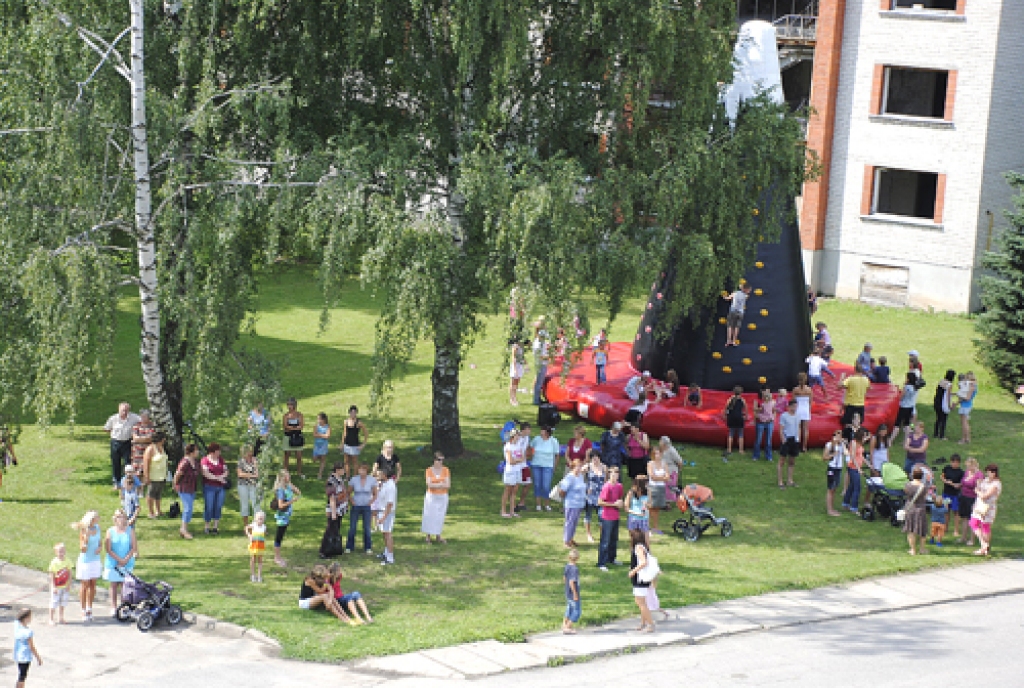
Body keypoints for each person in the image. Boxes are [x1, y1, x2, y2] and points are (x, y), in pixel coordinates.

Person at [103, 508, 138, 615]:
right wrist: (119, 560)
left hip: (127, 561)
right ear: (115, 518)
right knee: (113, 584)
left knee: (124, 585)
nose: (120, 518)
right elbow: (108, 549)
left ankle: (123, 606)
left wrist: (125, 559)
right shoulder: (110, 531)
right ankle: (113, 606)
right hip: (114, 562)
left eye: (122, 516)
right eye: (118, 516)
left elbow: (133, 547)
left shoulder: (130, 530)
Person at [71, 510, 101, 622]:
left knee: (93, 584)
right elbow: (82, 549)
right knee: (85, 585)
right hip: (86, 560)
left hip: (95, 559)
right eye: (97, 517)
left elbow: (99, 541)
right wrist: (86, 539)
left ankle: (89, 608)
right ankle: (83, 609)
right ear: (92, 519)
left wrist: (99, 548)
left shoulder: (97, 528)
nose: (98, 518)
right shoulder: (84, 530)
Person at [103, 402, 141, 489]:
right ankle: (116, 482)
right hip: (115, 442)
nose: (125, 412)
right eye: (123, 410)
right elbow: (106, 428)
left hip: (127, 442)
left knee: (128, 463)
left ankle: (128, 482)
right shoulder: (113, 418)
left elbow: (142, 421)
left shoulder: (133, 417)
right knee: (116, 462)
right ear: (119, 410)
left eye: (127, 410)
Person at [969, 464, 1001, 556]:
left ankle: (985, 547)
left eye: (989, 472)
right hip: (979, 505)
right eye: (987, 472)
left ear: (994, 473)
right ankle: (984, 544)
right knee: (973, 523)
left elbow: (985, 496)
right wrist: (978, 486)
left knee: (985, 526)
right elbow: (979, 489)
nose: (988, 474)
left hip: (988, 508)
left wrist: (977, 491)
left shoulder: (996, 484)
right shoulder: (986, 480)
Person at [627, 528, 655, 633]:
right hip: (641, 579)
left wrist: (633, 571)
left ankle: (650, 624)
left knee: (641, 603)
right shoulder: (643, 547)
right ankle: (643, 622)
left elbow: (643, 562)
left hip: (640, 579)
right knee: (640, 602)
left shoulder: (638, 547)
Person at [346, 463, 378, 553]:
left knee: (367, 527)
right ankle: (349, 546)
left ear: (366, 471)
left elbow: (375, 493)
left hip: (366, 506)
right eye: (360, 470)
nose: (362, 472)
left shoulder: (372, 480)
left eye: (363, 470)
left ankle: (368, 547)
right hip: (356, 505)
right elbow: (348, 492)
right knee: (352, 527)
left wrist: (371, 502)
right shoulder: (354, 479)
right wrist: (352, 501)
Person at [320, 462, 349, 558]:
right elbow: (332, 497)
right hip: (334, 509)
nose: (344, 471)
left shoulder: (340, 479)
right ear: (337, 470)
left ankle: (333, 548)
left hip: (340, 509)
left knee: (336, 529)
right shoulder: (331, 481)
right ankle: (324, 550)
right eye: (343, 469)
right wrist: (333, 512)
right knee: (330, 529)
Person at [172, 443, 199, 539]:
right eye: (196, 450)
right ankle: (183, 529)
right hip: (183, 488)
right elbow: (178, 474)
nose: (198, 452)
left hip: (192, 488)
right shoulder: (185, 462)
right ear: (191, 452)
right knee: (188, 508)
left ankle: (184, 528)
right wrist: (175, 484)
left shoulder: (195, 462)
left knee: (189, 509)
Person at [273, 469, 300, 566]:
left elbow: (298, 492)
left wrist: (290, 483)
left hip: (287, 516)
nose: (289, 477)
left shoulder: (288, 486)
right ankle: (277, 558)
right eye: (288, 476)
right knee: (279, 537)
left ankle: (278, 557)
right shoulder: (280, 490)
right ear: (283, 478)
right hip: (282, 517)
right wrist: (291, 501)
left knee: (281, 536)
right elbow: (280, 505)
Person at [422, 452, 450, 544]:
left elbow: (448, 485)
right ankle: (428, 536)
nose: (441, 462)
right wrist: (440, 484)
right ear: (434, 460)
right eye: (439, 460)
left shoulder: (446, 470)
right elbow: (429, 484)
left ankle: (438, 535)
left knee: (439, 516)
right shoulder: (429, 470)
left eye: (442, 460)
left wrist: (437, 485)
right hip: (432, 496)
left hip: (442, 496)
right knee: (430, 515)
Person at [200, 443, 229, 535]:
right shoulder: (205, 460)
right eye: (218, 450)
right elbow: (205, 473)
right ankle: (207, 526)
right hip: (209, 487)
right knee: (209, 506)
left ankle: (215, 527)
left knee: (218, 506)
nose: (219, 452)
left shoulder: (221, 460)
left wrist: (222, 476)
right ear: (212, 451)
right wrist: (218, 478)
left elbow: (226, 471)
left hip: (220, 487)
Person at [558, 460, 587, 548]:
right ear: (573, 467)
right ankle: (566, 541)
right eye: (577, 466)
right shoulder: (569, 477)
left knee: (575, 522)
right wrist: (567, 499)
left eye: (580, 466)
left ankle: (571, 538)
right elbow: (562, 490)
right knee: (570, 522)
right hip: (571, 504)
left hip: (579, 504)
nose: (578, 468)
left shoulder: (580, 476)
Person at [530, 426, 560, 511]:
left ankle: (547, 504)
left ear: (547, 432)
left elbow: (557, 455)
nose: (541, 431)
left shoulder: (553, 441)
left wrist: (554, 467)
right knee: (537, 484)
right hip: (536, 465)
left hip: (548, 466)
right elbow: (530, 448)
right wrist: (531, 456)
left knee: (546, 485)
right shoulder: (536, 439)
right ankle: (538, 504)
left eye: (542, 430)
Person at [141, 431, 168, 519]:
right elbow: (146, 463)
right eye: (164, 438)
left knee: (158, 494)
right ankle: (150, 512)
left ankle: (158, 510)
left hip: (161, 476)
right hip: (153, 476)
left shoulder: (162, 448)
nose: (165, 440)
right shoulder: (150, 449)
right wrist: (146, 476)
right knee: (151, 494)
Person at [902, 466, 929, 555]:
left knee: (911, 530)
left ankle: (913, 550)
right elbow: (925, 497)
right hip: (921, 509)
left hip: (910, 508)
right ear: (922, 476)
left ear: (912, 475)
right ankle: (922, 549)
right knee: (922, 531)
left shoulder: (907, 485)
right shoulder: (924, 487)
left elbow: (906, 493)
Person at [13, 608, 42, 688]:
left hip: (18, 655)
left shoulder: (17, 626)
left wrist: (24, 611)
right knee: (22, 677)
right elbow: (32, 647)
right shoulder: (28, 632)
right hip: (25, 657)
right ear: (26, 618)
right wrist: (38, 658)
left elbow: (17, 619)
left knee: (21, 675)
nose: (31, 618)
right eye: (30, 616)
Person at [501, 427, 525, 518]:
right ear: (513, 436)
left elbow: (522, 458)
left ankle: (512, 511)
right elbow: (510, 461)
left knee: (514, 491)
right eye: (517, 435)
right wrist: (518, 460)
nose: (518, 437)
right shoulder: (508, 446)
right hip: (510, 471)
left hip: (518, 470)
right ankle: (503, 510)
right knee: (507, 490)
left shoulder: (518, 445)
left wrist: (517, 460)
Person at [958, 457, 983, 547]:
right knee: (964, 518)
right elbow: (963, 482)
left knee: (973, 519)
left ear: (974, 465)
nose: (968, 468)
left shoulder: (979, 475)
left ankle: (972, 539)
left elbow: (979, 487)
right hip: (964, 497)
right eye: (967, 466)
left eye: (969, 466)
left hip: (973, 498)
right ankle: (963, 537)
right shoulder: (967, 472)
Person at [583, 451, 606, 543]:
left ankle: (602, 534)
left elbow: (605, 480)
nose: (595, 459)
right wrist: (585, 488)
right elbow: (578, 476)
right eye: (593, 458)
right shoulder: (587, 467)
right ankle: (588, 534)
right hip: (590, 494)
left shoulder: (604, 467)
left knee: (601, 515)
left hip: (601, 495)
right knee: (588, 515)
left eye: (597, 457)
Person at [842, 428, 866, 513]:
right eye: (864, 436)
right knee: (857, 487)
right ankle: (854, 507)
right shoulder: (854, 443)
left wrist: (869, 464)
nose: (865, 438)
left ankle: (845, 503)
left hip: (856, 467)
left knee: (852, 486)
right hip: (853, 468)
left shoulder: (860, 444)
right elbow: (852, 456)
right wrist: (859, 469)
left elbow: (861, 456)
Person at [941, 454, 965, 539]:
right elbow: (942, 477)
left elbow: (962, 483)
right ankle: (945, 527)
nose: (954, 464)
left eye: (956, 462)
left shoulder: (961, 472)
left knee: (956, 512)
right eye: (953, 462)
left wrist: (957, 485)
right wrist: (947, 481)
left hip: (955, 495)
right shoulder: (947, 468)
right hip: (946, 493)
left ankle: (956, 530)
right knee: (946, 511)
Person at [823, 430, 846, 517]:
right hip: (832, 468)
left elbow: (846, 453)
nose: (838, 438)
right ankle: (829, 510)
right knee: (830, 489)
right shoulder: (829, 445)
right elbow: (824, 457)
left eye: (840, 436)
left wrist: (843, 444)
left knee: (835, 488)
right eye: (836, 436)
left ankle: (832, 508)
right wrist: (833, 455)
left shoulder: (841, 446)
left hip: (838, 468)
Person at [646, 447, 669, 535]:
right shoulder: (650, 464)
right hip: (652, 487)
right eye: (655, 454)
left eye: (658, 453)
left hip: (661, 488)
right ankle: (647, 527)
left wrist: (660, 478)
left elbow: (667, 477)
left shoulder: (664, 464)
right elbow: (652, 477)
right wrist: (662, 478)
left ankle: (655, 527)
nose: (657, 455)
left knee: (657, 508)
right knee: (650, 507)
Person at [778, 400, 800, 488]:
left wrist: (798, 438)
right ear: (790, 407)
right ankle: (780, 481)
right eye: (794, 406)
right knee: (782, 460)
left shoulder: (798, 416)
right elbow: (781, 429)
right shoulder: (784, 416)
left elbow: (798, 427)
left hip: (794, 440)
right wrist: (783, 439)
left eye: (796, 406)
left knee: (792, 461)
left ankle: (790, 480)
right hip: (787, 439)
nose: (795, 408)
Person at [236, 444, 259, 529]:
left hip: (254, 485)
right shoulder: (241, 461)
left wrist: (255, 465)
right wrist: (252, 475)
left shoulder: (255, 460)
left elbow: (258, 474)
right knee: (244, 505)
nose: (250, 453)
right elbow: (239, 474)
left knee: (256, 505)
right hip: (243, 486)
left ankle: (257, 525)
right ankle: (246, 526)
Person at [378, 467, 398, 565]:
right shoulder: (385, 483)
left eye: (380, 473)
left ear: (385, 475)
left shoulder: (391, 486)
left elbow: (390, 504)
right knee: (384, 533)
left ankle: (390, 557)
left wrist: (384, 517)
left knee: (388, 534)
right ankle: (386, 552)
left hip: (387, 513)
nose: (379, 475)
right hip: (382, 511)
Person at [341, 406, 368, 477]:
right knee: (346, 461)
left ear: (356, 413)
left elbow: (366, 433)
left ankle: (355, 476)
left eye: (354, 412)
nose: (353, 414)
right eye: (351, 412)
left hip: (355, 445)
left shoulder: (359, 423)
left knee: (355, 462)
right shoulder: (346, 422)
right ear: (349, 413)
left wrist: (363, 444)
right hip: (347, 444)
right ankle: (347, 476)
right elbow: (344, 433)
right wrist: (342, 443)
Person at [48, 543, 71, 625]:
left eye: (63, 551)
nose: (61, 553)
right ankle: (51, 619)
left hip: (65, 586)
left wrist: (69, 584)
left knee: (63, 602)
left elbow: (69, 573)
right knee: (54, 602)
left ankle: (61, 617)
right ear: (56, 552)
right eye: (59, 552)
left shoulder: (67, 561)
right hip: (57, 587)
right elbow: (51, 575)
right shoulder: (54, 562)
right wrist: (53, 587)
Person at [722, 283, 752, 347]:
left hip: (733, 311)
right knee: (736, 327)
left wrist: (724, 296)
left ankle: (728, 340)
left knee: (730, 326)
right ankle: (734, 341)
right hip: (740, 312)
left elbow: (727, 298)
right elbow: (745, 291)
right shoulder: (746, 296)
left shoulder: (735, 293)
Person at [282, 398, 305, 477]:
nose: (289, 406)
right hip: (288, 437)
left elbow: (301, 426)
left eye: (290, 404)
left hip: (298, 437)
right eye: (288, 404)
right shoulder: (286, 415)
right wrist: (295, 428)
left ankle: (299, 472)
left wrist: (291, 428)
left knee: (299, 456)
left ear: (294, 405)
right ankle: (285, 473)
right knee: (286, 455)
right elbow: (285, 426)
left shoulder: (299, 415)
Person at [723, 386, 747, 459]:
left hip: (731, 417)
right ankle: (741, 450)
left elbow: (726, 408)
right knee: (740, 434)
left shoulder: (730, 399)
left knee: (731, 433)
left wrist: (725, 415)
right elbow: (745, 409)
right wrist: (745, 416)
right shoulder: (742, 400)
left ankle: (729, 449)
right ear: (741, 393)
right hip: (739, 417)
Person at [129, 409, 155, 478]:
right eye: (142, 416)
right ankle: (136, 484)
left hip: (147, 451)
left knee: (145, 466)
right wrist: (144, 439)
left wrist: (139, 439)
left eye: (145, 417)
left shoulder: (152, 426)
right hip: (137, 452)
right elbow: (135, 437)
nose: (143, 418)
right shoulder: (137, 426)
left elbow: (150, 438)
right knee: (135, 468)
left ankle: (144, 482)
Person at [752, 388, 775, 462]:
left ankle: (768, 456)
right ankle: (756, 455)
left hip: (769, 422)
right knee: (758, 440)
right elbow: (756, 410)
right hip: (761, 422)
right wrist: (758, 411)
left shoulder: (772, 403)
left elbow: (774, 411)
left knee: (768, 440)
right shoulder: (761, 403)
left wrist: (772, 418)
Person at [894, 372, 919, 439]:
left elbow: (901, 397)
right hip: (911, 406)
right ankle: (911, 429)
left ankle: (912, 429)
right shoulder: (915, 387)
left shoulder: (906, 387)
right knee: (909, 422)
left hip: (904, 406)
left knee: (899, 423)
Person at [792, 373, 813, 452]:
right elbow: (810, 402)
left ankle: (797, 445)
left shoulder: (795, 390)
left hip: (798, 409)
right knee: (805, 429)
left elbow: (793, 401)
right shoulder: (809, 390)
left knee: (798, 428)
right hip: (805, 409)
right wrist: (809, 410)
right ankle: (804, 447)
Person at [627, 476, 650, 546]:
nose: (648, 484)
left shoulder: (648, 491)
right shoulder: (631, 492)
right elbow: (626, 508)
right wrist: (637, 513)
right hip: (633, 519)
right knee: (633, 539)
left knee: (646, 539)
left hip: (644, 519)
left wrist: (647, 505)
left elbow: (651, 504)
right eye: (646, 483)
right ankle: (633, 554)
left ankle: (648, 554)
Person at [562, 549, 581, 635]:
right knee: (577, 611)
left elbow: (565, 578)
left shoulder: (567, 566)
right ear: (577, 558)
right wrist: (575, 593)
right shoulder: (574, 569)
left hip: (567, 592)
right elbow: (571, 582)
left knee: (569, 608)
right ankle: (568, 627)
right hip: (572, 593)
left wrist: (567, 588)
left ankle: (564, 624)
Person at [933, 369, 955, 440]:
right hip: (943, 404)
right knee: (944, 419)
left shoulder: (941, 381)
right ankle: (942, 435)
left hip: (937, 401)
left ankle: (936, 433)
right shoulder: (949, 384)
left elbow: (941, 393)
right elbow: (948, 396)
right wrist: (949, 405)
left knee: (938, 418)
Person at [957, 371, 978, 445]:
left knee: (964, 423)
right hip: (967, 405)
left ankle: (963, 439)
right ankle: (968, 438)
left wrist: (959, 395)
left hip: (965, 405)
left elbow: (967, 398)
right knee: (966, 423)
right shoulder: (974, 386)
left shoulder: (971, 387)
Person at [245, 511, 267, 583]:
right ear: (255, 519)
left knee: (260, 560)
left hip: (260, 546)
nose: (260, 521)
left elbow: (263, 535)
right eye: (259, 519)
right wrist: (249, 535)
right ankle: (253, 575)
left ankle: (259, 575)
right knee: (253, 559)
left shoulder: (264, 527)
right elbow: (246, 528)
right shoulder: (253, 525)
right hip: (254, 545)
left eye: (262, 519)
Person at [120, 465, 142, 531]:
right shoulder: (124, 480)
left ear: (132, 485)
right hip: (125, 514)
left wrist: (133, 518)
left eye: (130, 471)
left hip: (131, 515)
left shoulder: (133, 495)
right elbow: (121, 490)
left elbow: (138, 508)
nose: (125, 486)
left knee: (130, 530)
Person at [532, 327, 550, 405]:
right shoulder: (537, 344)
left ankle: (538, 398)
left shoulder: (541, 342)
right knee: (539, 383)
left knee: (540, 382)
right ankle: (536, 400)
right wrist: (549, 357)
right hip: (541, 364)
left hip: (543, 363)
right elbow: (539, 356)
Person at [313, 412, 332, 480]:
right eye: (318, 419)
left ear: (324, 419)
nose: (319, 421)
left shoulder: (328, 426)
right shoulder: (316, 426)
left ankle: (320, 474)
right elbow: (314, 435)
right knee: (314, 459)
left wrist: (319, 435)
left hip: (323, 445)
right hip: (317, 445)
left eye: (320, 419)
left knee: (323, 460)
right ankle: (319, 457)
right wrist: (323, 435)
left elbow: (328, 436)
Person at [509, 338, 526, 405]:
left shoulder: (521, 345)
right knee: (513, 382)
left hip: (520, 365)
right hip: (516, 365)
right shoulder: (515, 346)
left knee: (517, 382)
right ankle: (512, 399)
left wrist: (526, 364)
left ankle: (515, 397)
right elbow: (513, 357)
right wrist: (515, 369)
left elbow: (522, 356)